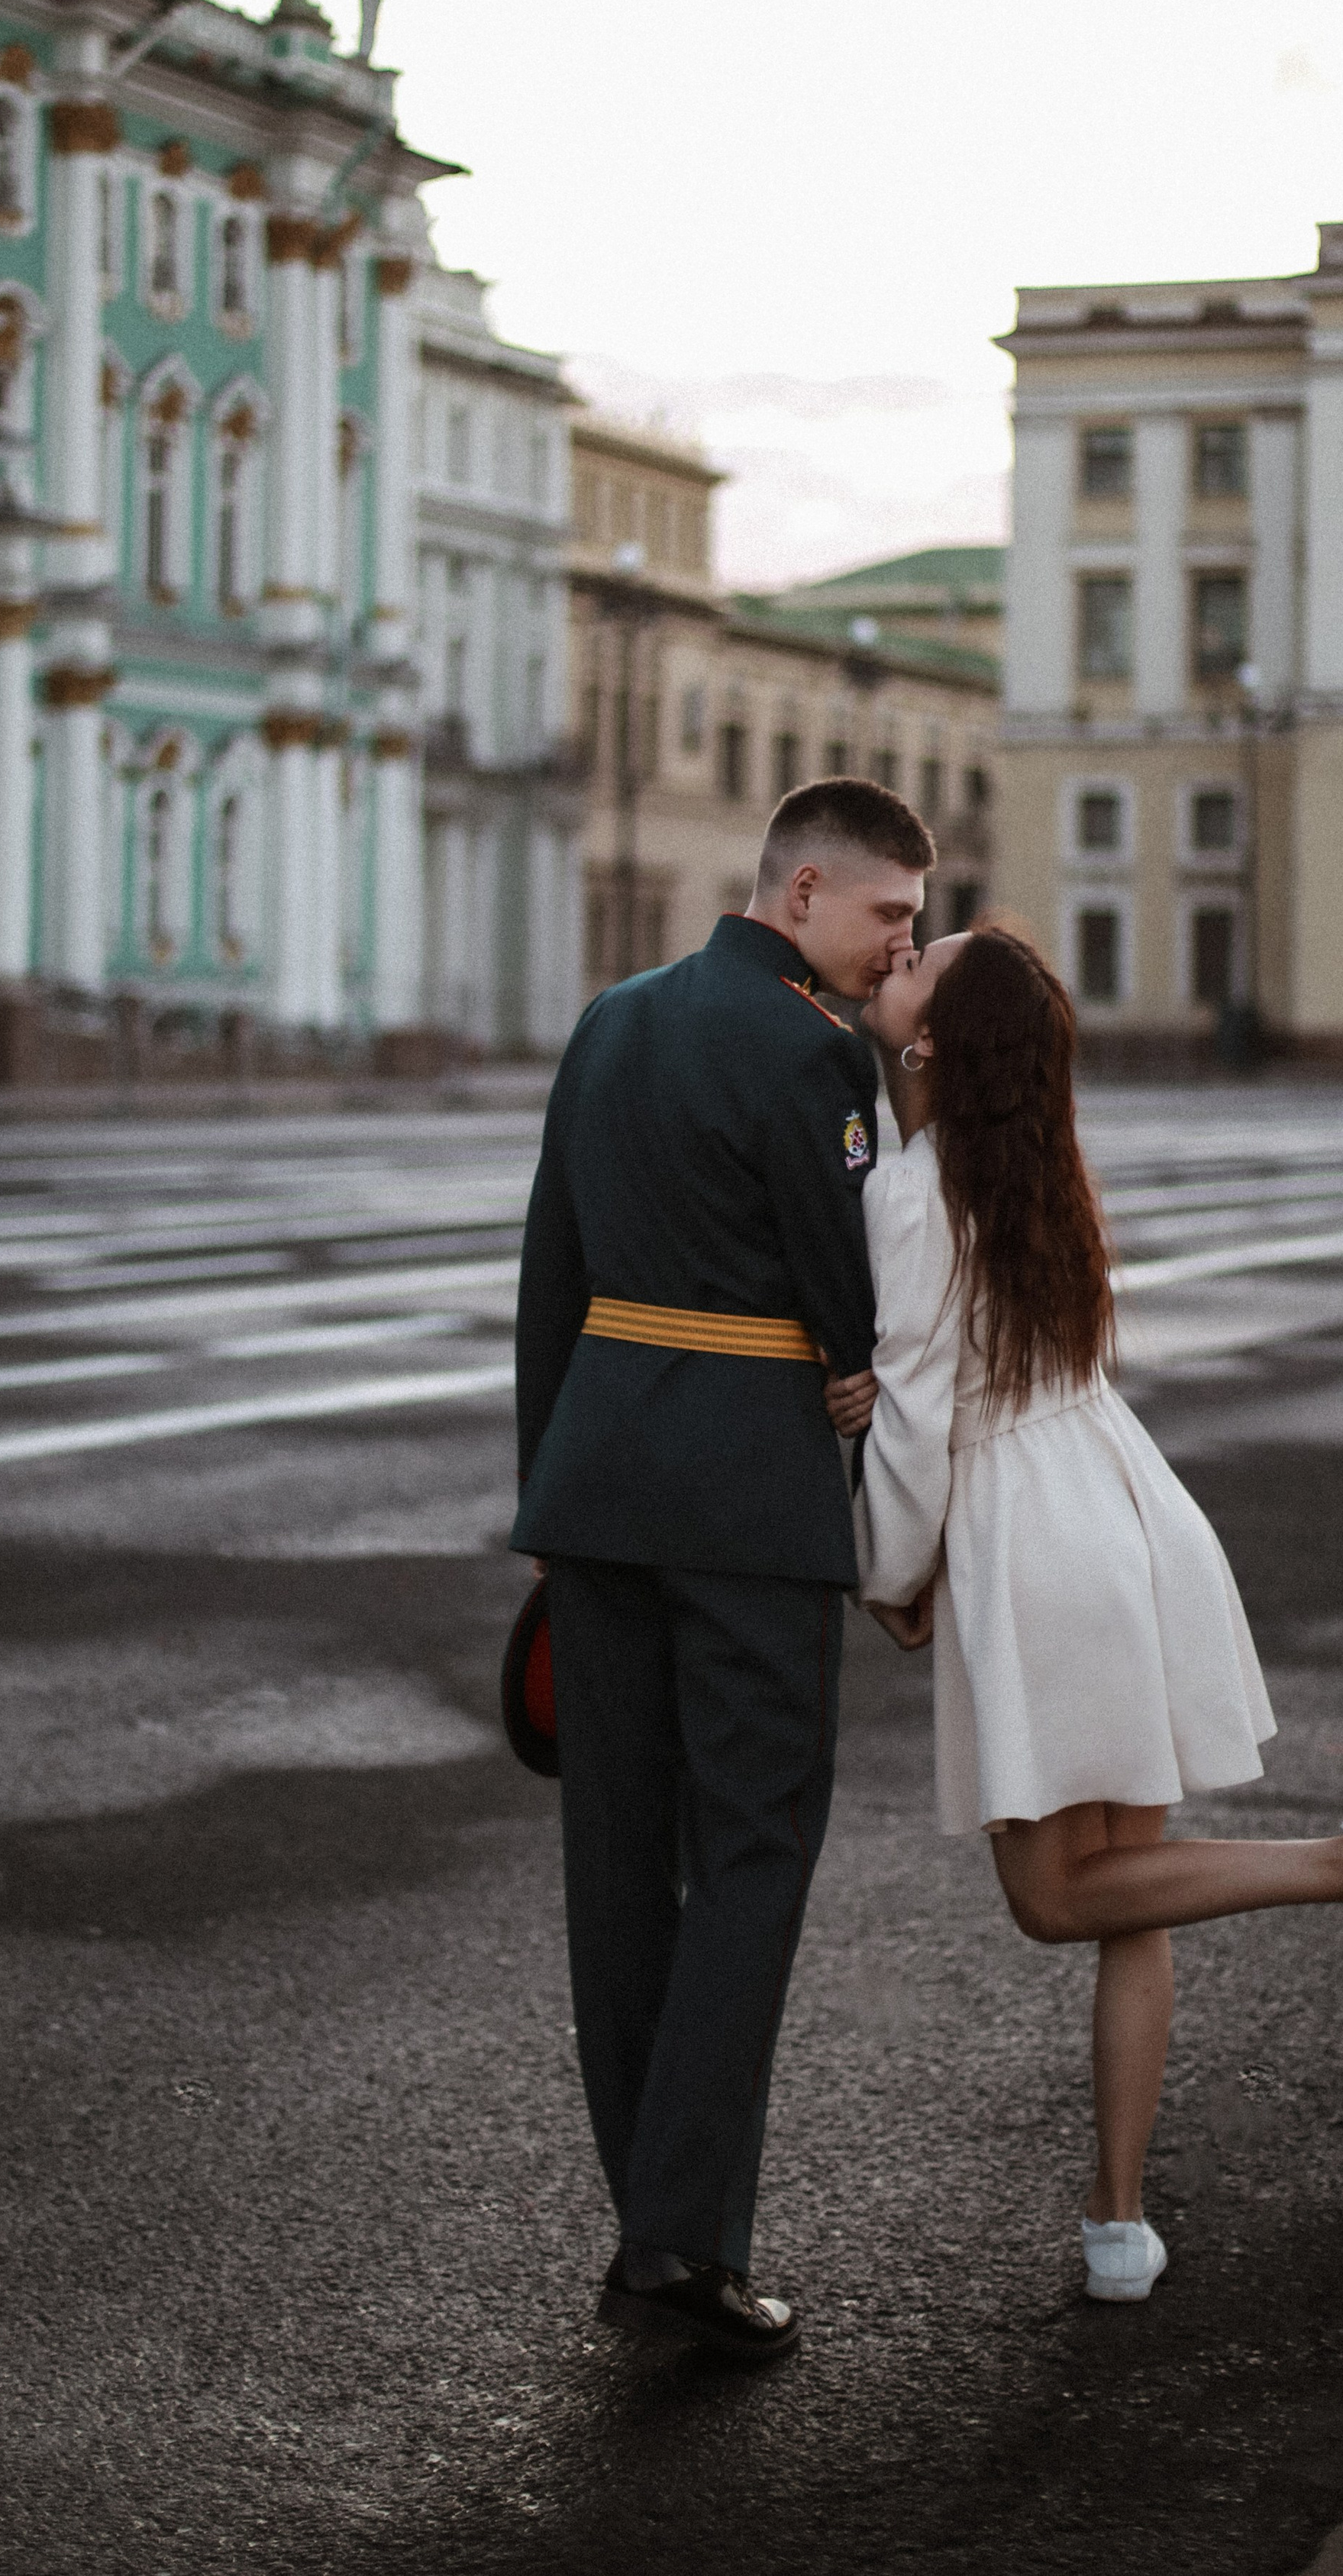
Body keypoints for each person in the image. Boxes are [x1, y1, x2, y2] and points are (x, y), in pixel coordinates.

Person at [826, 924, 1343, 2306]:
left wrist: (888, 1578)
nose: (895, 958)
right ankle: (1118, 2224)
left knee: (1053, 1898)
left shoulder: (912, 1191)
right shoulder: (1036, 1171)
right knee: (1129, 1891)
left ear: (936, 1040)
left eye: (920, 963)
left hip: (1039, 1548)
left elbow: (910, 1431)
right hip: (1128, 1515)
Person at [512, 778, 935, 2361]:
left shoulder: (610, 1020)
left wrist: (550, 1492)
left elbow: (550, 1276)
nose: (901, 948)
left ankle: (654, 2212)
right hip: (749, 1498)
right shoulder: (817, 1051)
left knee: (617, 1862)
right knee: (752, 1850)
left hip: (600, 1485)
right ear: (805, 889)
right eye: (889, 914)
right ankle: (681, 2242)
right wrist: (851, 1382)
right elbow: (849, 1289)